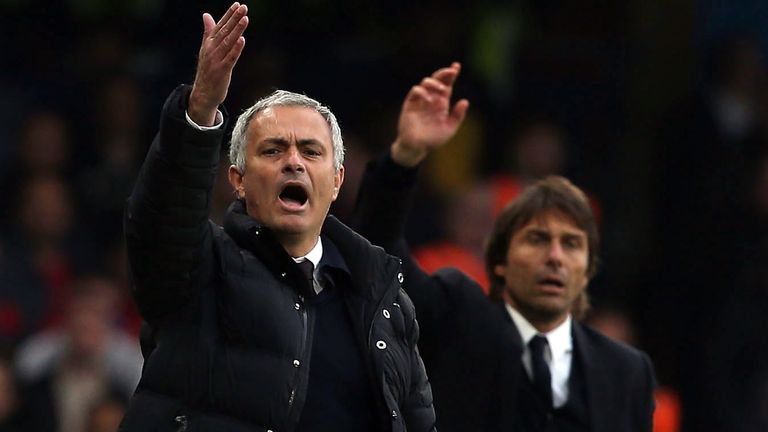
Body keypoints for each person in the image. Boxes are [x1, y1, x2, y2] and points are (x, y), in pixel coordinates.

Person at [120, 3, 435, 432]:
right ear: (239, 180)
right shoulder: (200, 265)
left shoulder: (385, 300)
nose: (294, 162)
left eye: (311, 150)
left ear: (337, 180)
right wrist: (199, 110)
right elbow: (162, 219)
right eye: (272, 150)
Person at [353, 62, 656, 431]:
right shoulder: (456, 319)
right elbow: (379, 249)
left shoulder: (627, 371)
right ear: (499, 262)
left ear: (589, 268)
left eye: (572, 244)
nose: (555, 257)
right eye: (537, 239)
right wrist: (405, 156)